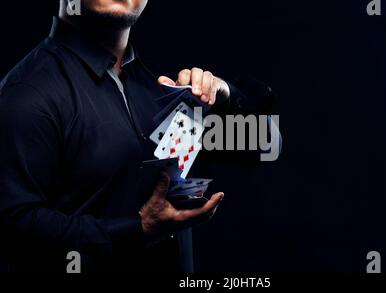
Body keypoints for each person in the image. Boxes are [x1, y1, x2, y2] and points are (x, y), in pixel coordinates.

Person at [0, 0, 275, 272]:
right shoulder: (26, 94)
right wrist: (138, 228)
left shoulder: (160, 88)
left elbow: (265, 145)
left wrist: (225, 95)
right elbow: (13, 231)